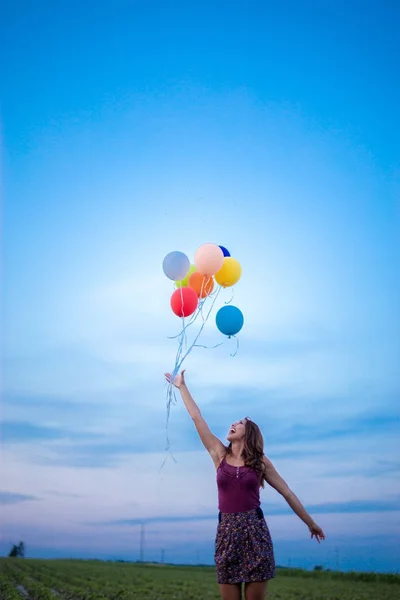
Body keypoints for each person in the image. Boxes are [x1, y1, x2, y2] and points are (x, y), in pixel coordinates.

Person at [165, 369, 325, 600]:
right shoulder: (219, 454)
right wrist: (182, 387)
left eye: (239, 423)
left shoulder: (260, 462)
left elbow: (287, 493)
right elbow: (197, 417)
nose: (233, 423)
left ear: (248, 434)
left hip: (255, 532)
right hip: (227, 533)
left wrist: (311, 524)